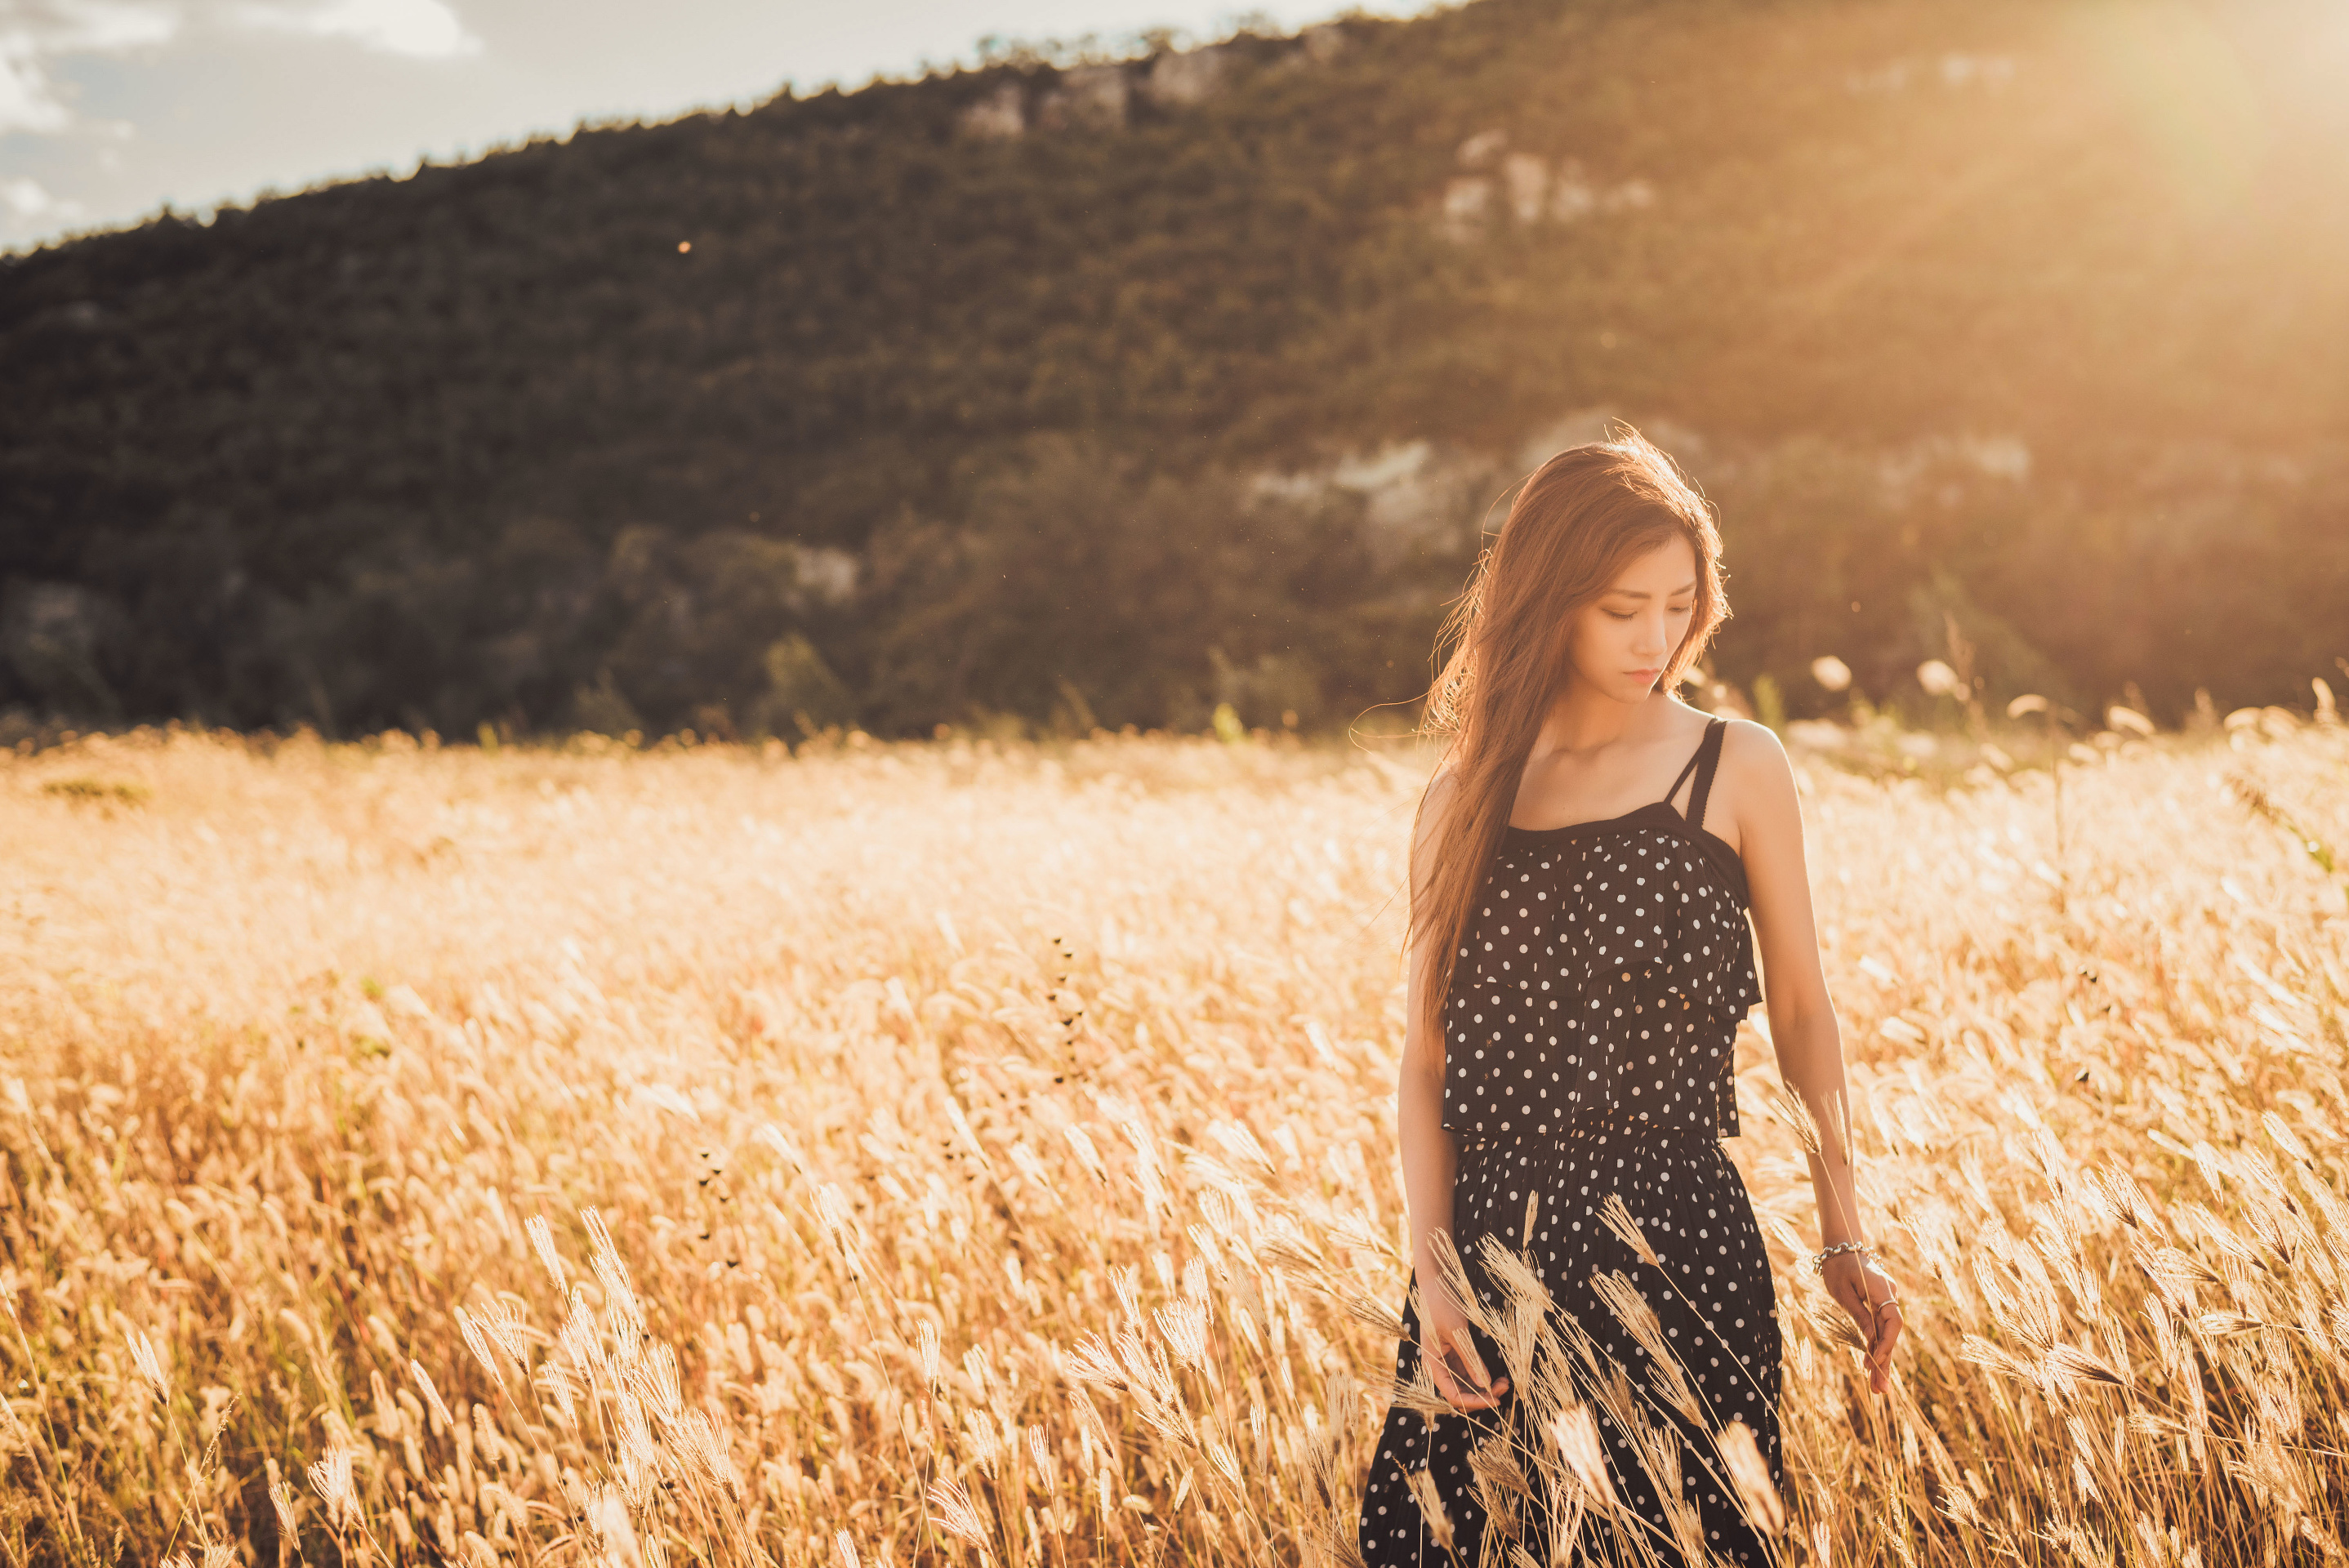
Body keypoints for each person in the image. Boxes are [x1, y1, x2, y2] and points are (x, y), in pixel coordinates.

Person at [1357, 430, 1901, 1567]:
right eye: (1621, 610)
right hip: (1492, 1259)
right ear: (1547, 600)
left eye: (1677, 605)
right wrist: (1434, 1276)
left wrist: (1845, 1231)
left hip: (1679, 1247)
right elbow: (1423, 1060)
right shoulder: (1458, 801)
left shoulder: (1734, 766)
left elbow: (1804, 1013)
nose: (1656, 639)